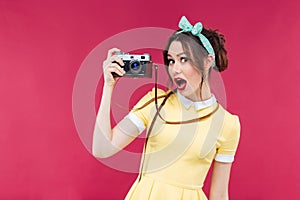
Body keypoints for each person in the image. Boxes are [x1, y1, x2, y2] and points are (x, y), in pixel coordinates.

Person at [92, 16, 241, 200]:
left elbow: (219, 195)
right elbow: (102, 148)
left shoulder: (228, 124)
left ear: (207, 61)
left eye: (183, 59)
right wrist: (109, 86)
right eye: (171, 61)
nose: (174, 68)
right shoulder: (155, 103)